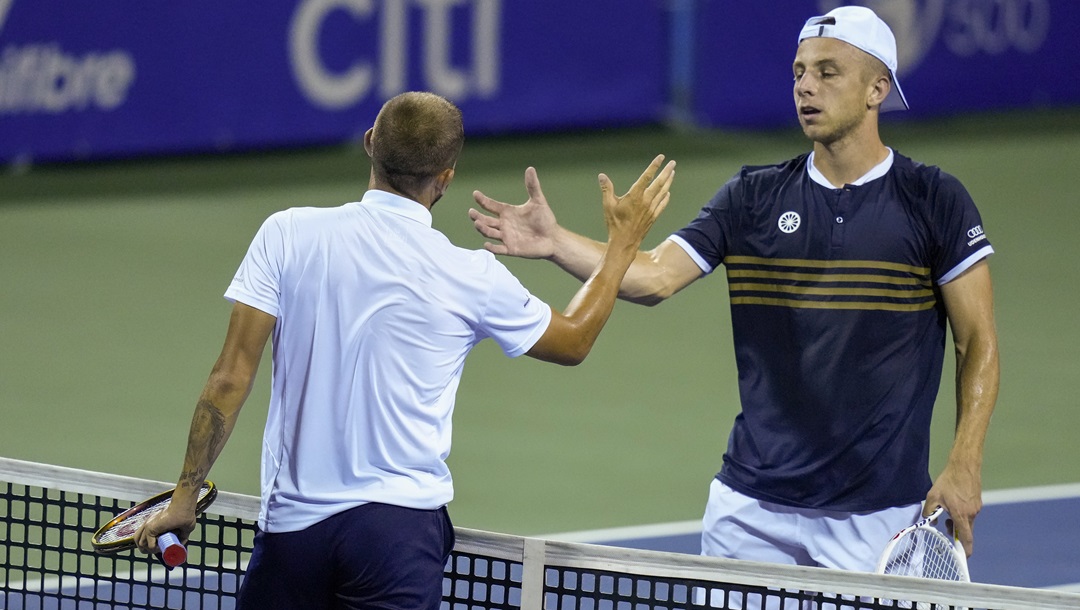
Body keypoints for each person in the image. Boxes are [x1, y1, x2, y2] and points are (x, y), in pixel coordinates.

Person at [469, 6, 998, 572]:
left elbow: (977, 340)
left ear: (877, 89)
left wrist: (965, 461)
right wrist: (555, 242)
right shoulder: (752, 197)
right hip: (750, 512)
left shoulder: (934, 200)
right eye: (798, 72)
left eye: (826, 72)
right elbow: (653, 275)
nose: (805, 87)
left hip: (876, 518)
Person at [134, 91, 675, 609]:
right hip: (398, 538)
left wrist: (185, 494)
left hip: (296, 535)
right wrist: (623, 244)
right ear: (447, 178)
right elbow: (575, 337)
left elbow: (229, 379)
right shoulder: (474, 275)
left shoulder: (286, 234)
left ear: (370, 141)